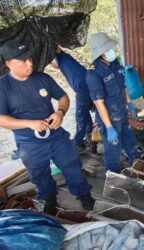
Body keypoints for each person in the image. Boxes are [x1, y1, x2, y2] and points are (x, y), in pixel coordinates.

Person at [0, 39, 95, 215]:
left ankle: (84, 195)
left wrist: (60, 112)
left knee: (72, 165)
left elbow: (64, 97)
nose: (29, 63)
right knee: (39, 175)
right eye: (22, 61)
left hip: (56, 136)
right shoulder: (3, 87)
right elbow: (2, 119)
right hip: (30, 143)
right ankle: (49, 199)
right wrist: (29, 123)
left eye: (29, 58)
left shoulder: (42, 78)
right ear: (8, 64)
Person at [85, 32, 140, 173]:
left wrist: (129, 104)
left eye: (110, 48)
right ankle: (113, 180)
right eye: (107, 49)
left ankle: (139, 171)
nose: (111, 51)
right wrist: (109, 127)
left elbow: (123, 86)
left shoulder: (115, 63)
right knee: (113, 151)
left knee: (131, 143)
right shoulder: (93, 73)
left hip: (121, 113)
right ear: (99, 52)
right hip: (108, 118)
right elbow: (98, 103)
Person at [50, 47, 93, 152]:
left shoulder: (62, 55)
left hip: (83, 86)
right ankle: (90, 134)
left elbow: (56, 50)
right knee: (84, 112)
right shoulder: (62, 59)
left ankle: (78, 143)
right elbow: (55, 65)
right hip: (86, 84)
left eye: (50, 61)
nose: (51, 64)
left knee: (80, 115)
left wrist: (49, 42)